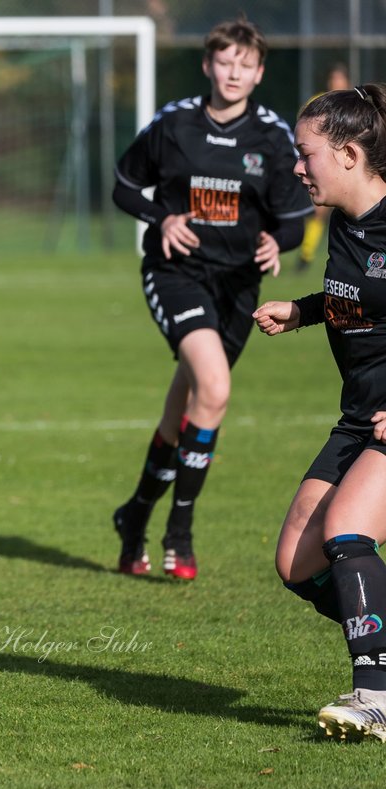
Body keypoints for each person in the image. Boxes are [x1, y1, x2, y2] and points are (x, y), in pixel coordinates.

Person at [109, 16, 313, 579]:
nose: (233, 72)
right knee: (216, 387)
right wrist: (162, 216)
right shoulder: (173, 124)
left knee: (189, 404)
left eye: (245, 65)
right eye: (225, 62)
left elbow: (294, 218)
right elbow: (124, 187)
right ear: (208, 65)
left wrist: (279, 241)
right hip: (176, 273)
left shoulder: (272, 137)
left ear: (259, 72)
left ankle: (135, 515)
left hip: (238, 285)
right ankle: (180, 530)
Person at [253, 83, 386, 741]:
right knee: (297, 563)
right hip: (359, 416)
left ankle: (377, 694)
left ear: (350, 153)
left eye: (306, 155)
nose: (297, 168)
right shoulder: (344, 221)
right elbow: (360, 295)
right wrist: (303, 311)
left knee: (346, 528)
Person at [297, 64, 353, 272]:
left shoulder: (353, 104)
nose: (335, 83)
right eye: (333, 78)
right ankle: (306, 254)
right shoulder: (318, 102)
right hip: (324, 167)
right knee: (318, 212)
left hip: (347, 168)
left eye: (339, 79)